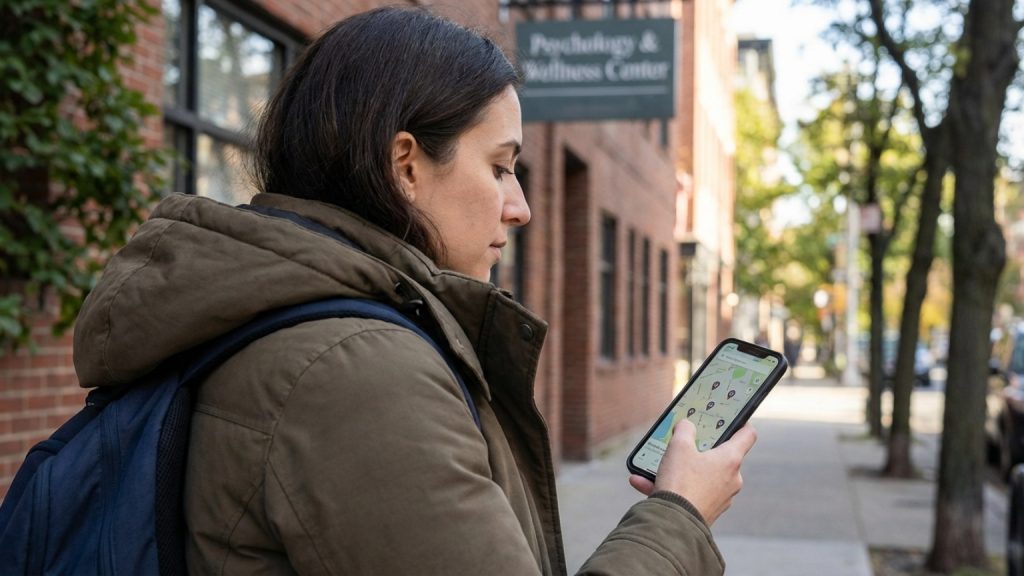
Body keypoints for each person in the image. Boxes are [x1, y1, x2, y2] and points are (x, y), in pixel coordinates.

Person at [72, 7, 755, 575]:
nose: (519, 207)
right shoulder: (356, 368)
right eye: (500, 167)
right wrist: (679, 515)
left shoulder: (303, 322)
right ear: (406, 165)